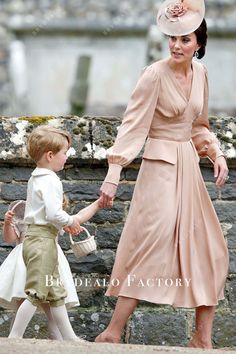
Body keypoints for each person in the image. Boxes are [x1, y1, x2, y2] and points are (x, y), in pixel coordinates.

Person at [96, 0, 229, 349]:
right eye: (172, 38)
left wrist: (215, 153)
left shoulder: (200, 74)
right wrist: (113, 172)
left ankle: (202, 339)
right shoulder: (153, 74)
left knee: (211, 248)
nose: (176, 45)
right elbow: (132, 126)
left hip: (188, 165)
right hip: (158, 168)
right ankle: (113, 331)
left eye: (184, 39)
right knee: (151, 245)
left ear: (198, 42)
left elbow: (198, 126)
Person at [7, 126, 101, 340]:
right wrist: (70, 222)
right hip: (42, 240)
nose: (67, 157)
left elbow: (46, 212)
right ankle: (14, 337)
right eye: (65, 152)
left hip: (37, 238)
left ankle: (70, 338)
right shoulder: (50, 179)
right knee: (36, 292)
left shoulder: (36, 178)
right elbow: (52, 213)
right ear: (50, 155)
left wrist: (63, 222)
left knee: (55, 289)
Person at [0, 197, 80, 340]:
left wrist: (98, 204)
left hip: (50, 259)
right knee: (23, 301)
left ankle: (59, 342)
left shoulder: (55, 215)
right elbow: (9, 239)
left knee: (52, 307)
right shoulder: (22, 210)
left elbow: (78, 218)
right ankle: (14, 341)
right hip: (25, 260)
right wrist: (7, 223)